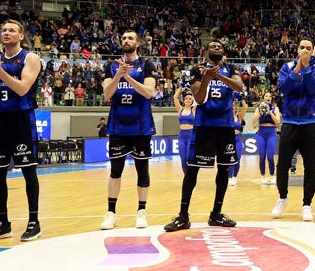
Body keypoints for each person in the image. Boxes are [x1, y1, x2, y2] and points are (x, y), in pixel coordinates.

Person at [164, 39, 244, 231]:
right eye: (213, 46)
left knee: (224, 170)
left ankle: (216, 214)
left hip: (225, 127)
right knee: (192, 170)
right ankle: (183, 216)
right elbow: (199, 98)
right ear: (206, 51)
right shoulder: (195, 70)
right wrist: (207, 77)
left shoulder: (231, 67)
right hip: (204, 126)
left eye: (220, 47)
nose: (217, 48)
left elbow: (238, 87)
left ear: (223, 52)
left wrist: (218, 76)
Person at [0, 19, 43, 242]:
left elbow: (23, 88)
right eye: (4, 30)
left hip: (21, 119)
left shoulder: (30, 58)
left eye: (12, 30)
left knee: (28, 171)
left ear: (20, 35)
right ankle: (2, 223)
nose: (6, 33)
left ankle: (34, 222)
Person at [99, 31, 157, 230]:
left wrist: (128, 77)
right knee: (115, 171)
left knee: (142, 170)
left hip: (141, 126)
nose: (126, 41)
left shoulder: (146, 66)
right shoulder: (111, 66)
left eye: (130, 38)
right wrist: (118, 74)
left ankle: (141, 211)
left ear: (138, 43)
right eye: (123, 38)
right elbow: (107, 94)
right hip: (118, 126)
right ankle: (111, 213)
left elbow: (148, 93)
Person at [270, 37, 315, 221]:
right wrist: (297, 68)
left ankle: (307, 204)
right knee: (283, 165)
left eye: (308, 48)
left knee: (310, 167)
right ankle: (282, 198)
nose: (304, 50)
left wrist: (306, 66)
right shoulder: (286, 67)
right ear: (297, 48)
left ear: (312, 52)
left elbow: (312, 89)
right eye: (302, 47)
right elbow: (284, 88)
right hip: (290, 123)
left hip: (310, 123)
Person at [254, 92, 280, 185]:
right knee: (261, 156)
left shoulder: (275, 108)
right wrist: (261, 113)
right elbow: (253, 121)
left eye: (270, 96)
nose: (268, 97)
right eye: (266, 96)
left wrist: (270, 113)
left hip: (271, 132)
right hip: (261, 132)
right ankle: (263, 176)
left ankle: (272, 175)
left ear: (272, 98)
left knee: (270, 156)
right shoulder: (258, 108)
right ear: (263, 98)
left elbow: (278, 121)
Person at [174, 87, 195, 173]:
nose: (188, 100)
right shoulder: (180, 110)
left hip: (191, 135)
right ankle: (186, 176)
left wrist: (192, 89)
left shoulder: (194, 110)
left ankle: (190, 175)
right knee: (183, 159)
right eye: (186, 98)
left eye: (190, 99)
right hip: (182, 136)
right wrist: (180, 89)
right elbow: (175, 97)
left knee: (188, 158)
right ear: (184, 100)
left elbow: (198, 99)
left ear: (192, 101)